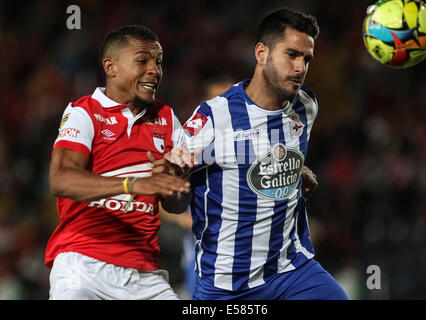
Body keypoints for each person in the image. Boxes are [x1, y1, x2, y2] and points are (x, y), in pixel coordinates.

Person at [183, 8, 349, 299]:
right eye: (292, 55)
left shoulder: (305, 105)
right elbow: (171, 183)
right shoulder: (213, 117)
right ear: (261, 53)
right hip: (227, 283)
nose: (300, 67)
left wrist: (297, 170)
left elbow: (269, 151)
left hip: (292, 270)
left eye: (307, 59)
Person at [45, 24, 193, 300]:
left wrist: (175, 183)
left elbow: (177, 205)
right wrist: (133, 184)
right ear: (110, 67)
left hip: (144, 274)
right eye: (143, 60)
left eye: (158, 62)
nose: (154, 70)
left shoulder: (167, 118)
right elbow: (61, 179)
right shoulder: (85, 112)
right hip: (83, 265)